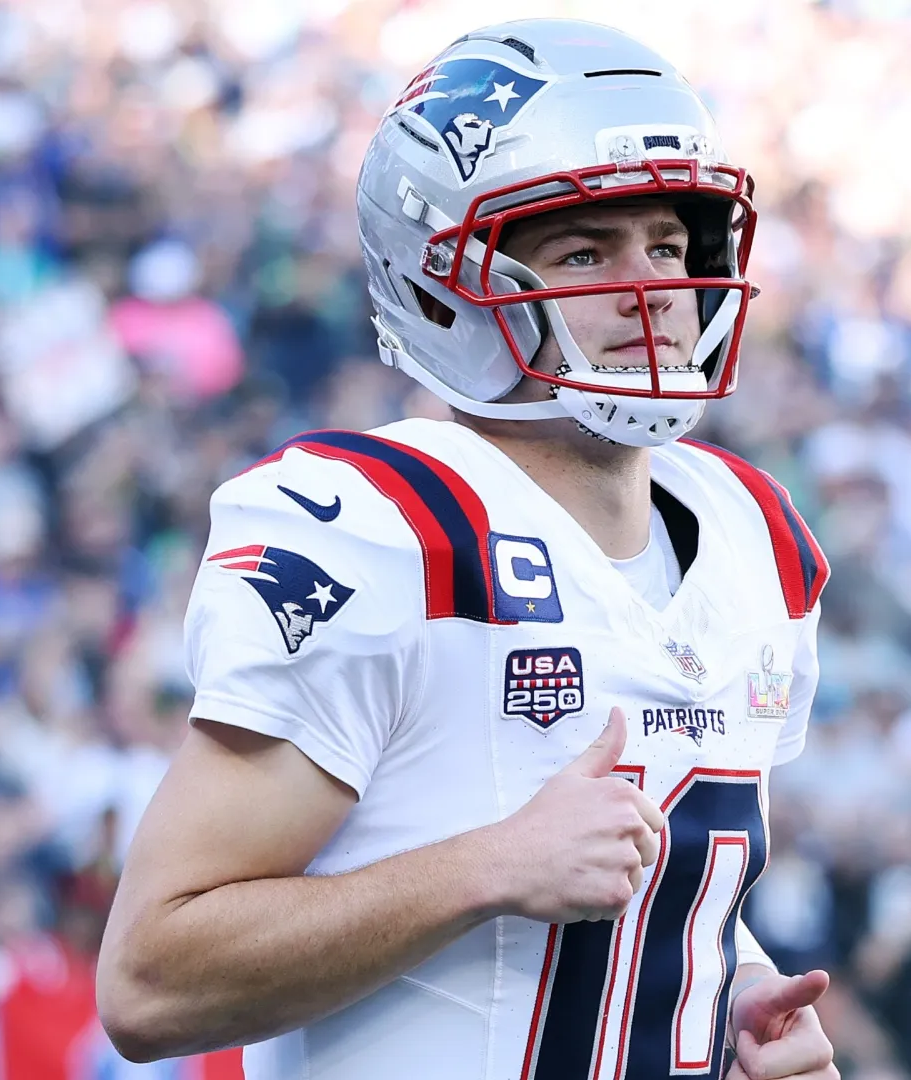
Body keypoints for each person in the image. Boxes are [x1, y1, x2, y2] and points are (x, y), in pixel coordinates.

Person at [94, 20, 838, 1080]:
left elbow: (640, 893)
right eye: (584, 252)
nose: (652, 288)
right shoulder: (380, 531)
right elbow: (151, 978)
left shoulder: (754, 539)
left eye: (668, 244)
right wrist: (485, 867)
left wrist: (722, 992)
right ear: (446, 284)